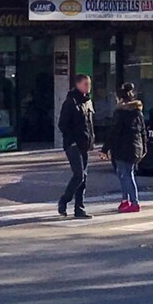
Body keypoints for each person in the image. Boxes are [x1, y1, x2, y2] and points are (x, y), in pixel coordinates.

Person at [104, 82, 147, 213]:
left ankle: (133, 202)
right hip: (136, 147)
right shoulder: (137, 112)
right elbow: (143, 131)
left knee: (125, 175)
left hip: (122, 148)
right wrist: (144, 147)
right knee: (127, 174)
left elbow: (115, 132)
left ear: (119, 98)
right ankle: (125, 200)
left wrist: (105, 149)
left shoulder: (120, 112)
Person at [57, 73, 94, 219]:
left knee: (84, 178)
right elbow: (62, 124)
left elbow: (89, 125)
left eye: (89, 84)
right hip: (73, 144)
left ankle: (79, 209)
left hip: (85, 144)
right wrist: (72, 140)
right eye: (85, 84)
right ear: (78, 84)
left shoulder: (88, 102)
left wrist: (92, 141)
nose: (88, 86)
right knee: (79, 175)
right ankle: (64, 200)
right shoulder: (71, 102)